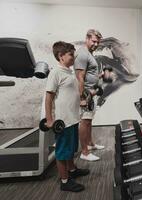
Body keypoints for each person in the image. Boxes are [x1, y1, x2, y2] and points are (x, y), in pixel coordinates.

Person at [45, 41, 89, 192]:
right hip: (62, 120)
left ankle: (72, 170)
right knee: (62, 152)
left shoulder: (69, 72)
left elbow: (71, 93)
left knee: (70, 149)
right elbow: (49, 97)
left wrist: (81, 101)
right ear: (60, 56)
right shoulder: (55, 72)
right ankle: (65, 181)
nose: (74, 56)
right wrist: (49, 119)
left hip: (73, 118)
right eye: (71, 54)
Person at [74, 29, 105, 161]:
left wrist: (100, 76)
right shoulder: (82, 54)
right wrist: (81, 98)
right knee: (85, 121)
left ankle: (90, 144)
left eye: (98, 42)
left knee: (89, 120)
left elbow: (88, 75)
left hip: (92, 93)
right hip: (86, 94)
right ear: (86, 39)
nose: (96, 44)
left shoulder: (89, 54)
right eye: (93, 41)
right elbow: (79, 77)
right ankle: (84, 152)